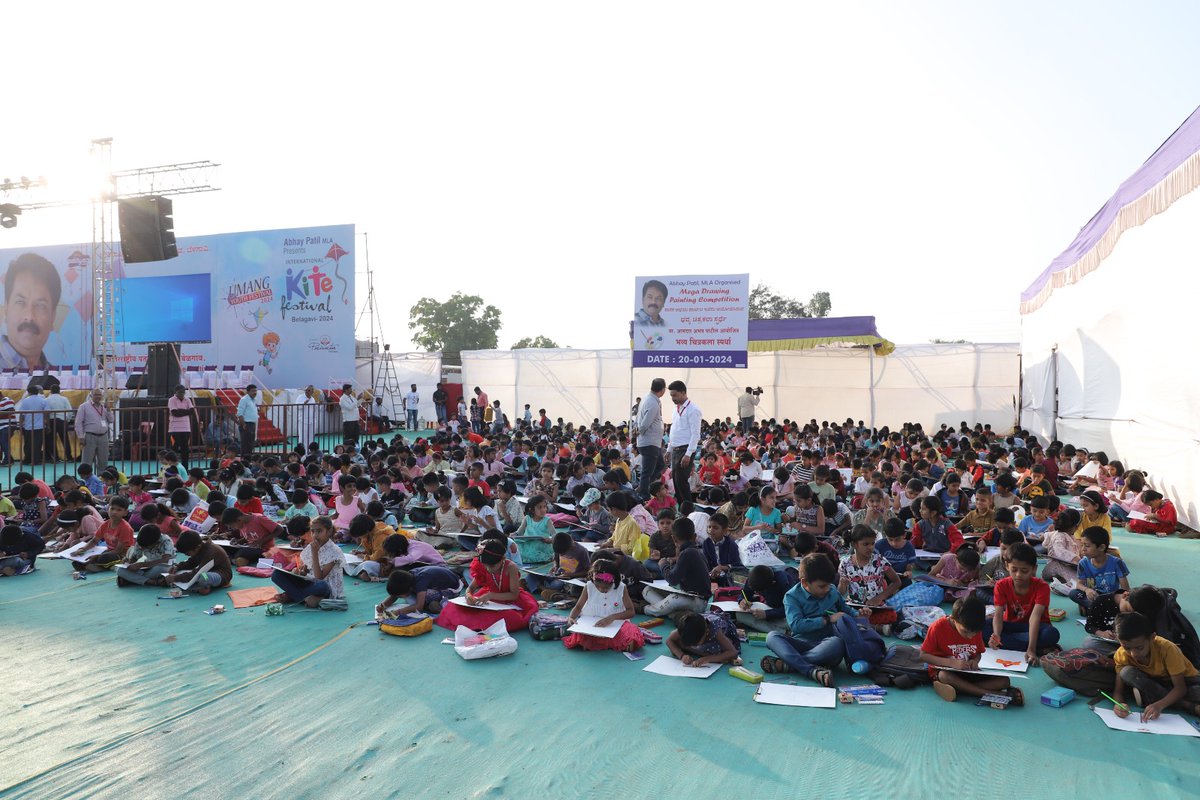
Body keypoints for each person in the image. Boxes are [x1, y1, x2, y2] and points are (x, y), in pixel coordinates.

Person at [761, 553, 851, 686]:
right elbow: (796, 625)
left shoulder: (832, 590)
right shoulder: (791, 596)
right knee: (771, 637)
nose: (827, 589)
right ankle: (811, 670)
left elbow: (845, 609)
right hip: (801, 644)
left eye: (829, 585)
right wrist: (827, 619)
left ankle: (790, 664)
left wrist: (859, 613)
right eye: (822, 586)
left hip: (825, 647)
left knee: (837, 643)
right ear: (804, 582)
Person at [922, 595, 1022, 706]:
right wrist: (951, 663)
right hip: (946, 671)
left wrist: (975, 661)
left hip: (967, 672)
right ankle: (993, 694)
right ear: (953, 619)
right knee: (944, 676)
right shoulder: (937, 628)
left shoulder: (974, 628)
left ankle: (960, 689)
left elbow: (978, 653)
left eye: (974, 633)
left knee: (1004, 681)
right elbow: (923, 655)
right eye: (965, 631)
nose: (970, 636)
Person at [434, 538, 539, 631]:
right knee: (452, 607)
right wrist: (468, 595)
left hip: (510, 601)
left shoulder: (511, 567)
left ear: (503, 559)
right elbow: (471, 588)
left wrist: (491, 595)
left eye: (492, 566)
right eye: (486, 566)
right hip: (487, 600)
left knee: (507, 617)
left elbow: (514, 594)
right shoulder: (483, 565)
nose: (488, 569)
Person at [1111, 611, 1200, 720]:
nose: (1133, 654)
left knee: (1196, 692)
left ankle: (1153, 698)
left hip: (1187, 681)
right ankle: (1189, 706)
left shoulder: (1167, 649)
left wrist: (1159, 705)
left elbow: (1181, 689)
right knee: (1126, 672)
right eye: (1127, 648)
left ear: (1152, 638)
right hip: (1157, 683)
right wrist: (1118, 705)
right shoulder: (1121, 654)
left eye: (1139, 648)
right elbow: (1118, 691)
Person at [989, 542, 1060, 662]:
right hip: (1011, 625)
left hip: (1037, 627)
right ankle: (1037, 647)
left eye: (1024, 571)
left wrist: (1031, 649)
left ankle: (1014, 643)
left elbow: (1035, 618)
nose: (1018, 575)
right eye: (1014, 569)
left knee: (1051, 634)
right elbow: (998, 614)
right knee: (983, 625)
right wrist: (996, 635)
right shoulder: (1001, 585)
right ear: (1007, 566)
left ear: (1034, 569)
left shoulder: (1042, 586)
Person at [563, 559, 645, 652]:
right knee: (580, 635)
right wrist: (571, 617)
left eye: (606, 587)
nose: (601, 590)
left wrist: (612, 618)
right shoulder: (589, 586)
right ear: (593, 579)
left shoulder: (621, 588)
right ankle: (614, 643)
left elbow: (631, 611)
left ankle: (600, 643)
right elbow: (578, 606)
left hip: (615, 624)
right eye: (598, 586)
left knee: (632, 630)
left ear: (614, 581)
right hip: (592, 625)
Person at [0, 253, 60, 371]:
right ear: (6, 308)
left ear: (53, 317)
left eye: (40, 305)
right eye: (20, 302)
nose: (29, 316)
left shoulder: (58, 377)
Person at [270, 516, 345, 607]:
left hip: (326, 587)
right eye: (312, 531)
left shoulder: (334, 551)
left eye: (319, 531)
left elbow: (319, 578)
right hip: (310, 583)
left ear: (329, 531)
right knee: (276, 574)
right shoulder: (310, 547)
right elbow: (307, 571)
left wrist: (314, 553)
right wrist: (301, 572)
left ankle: (294, 595)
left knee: (322, 585)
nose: (315, 535)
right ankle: (303, 598)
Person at [643, 517, 710, 617]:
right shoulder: (697, 552)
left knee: (673, 599)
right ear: (695, 537)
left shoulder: (687, 553)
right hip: (688, 597)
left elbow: (672, 580)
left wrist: (663, 565)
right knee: (647, 590)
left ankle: (645, 609)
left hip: (697, 602)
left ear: (674, 538)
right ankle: (674, 614)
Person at [838, 524, 901, 632]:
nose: (870, 547)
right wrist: (842, 584)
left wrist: (879, 598)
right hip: (854, 607)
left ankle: (860, 625)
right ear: (854, 544)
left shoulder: (880, 561)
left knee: (892, 615)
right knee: (840, 613)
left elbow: (897, 582)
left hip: (875, 607)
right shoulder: (845, 563)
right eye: (866, 544)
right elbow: (841, 592)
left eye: (872, 543)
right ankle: (875, 627)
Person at [1069, 526, 1130, 614]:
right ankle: (1101, 609)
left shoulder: (1117, 562)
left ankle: (1093, 609)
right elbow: (1079, 584)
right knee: (1073, 593)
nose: (1083, 549)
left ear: (1101, 547)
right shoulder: (1083, 563)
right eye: (1082, 545)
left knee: (1126, 599)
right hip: (1093, 596)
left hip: (1110, 598)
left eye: (1087, 546)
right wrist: (1087, 590)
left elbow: (1125, 589)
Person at [666, 380, 701, 509]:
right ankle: (682, 508)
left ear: (683, 392)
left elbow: (695, 434)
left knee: (681, 481)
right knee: (676, 481)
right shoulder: (676, 410)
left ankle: (688, 509)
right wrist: (669, 449)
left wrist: (688, 454)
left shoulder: (693, 410)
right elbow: (674, 431)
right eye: (671, 395)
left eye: (674, 395)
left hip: (685, 449)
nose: (673, 398)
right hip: (676, 449)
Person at [376, 566, 462, 617]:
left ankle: (439, 604)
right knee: (413, 598)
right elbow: (394, 595)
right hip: (435, 585)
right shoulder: (406, 579)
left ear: (409, 589)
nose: (398, 597)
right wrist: (383, 605)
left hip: (453, 589)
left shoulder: (421, 581)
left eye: (399, 596)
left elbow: (419, 606)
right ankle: (432, 602)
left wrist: (396, 613)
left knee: (423, 600)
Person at [666, 611, 742, 667]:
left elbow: (733, 653)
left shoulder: (716, 631)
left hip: (723, 632)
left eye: (696, 643)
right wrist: (682, 656)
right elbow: (669, 640)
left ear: (706, 633)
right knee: (674, 637)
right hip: (701, 625)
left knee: (719, 652)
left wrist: (708, 659)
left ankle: (691, 648)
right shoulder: (686, 627)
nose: (694, 646)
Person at [736, 564, 798, 633]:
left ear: (772, 583)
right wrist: (741, 600)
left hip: (785, 614)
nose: (756, 592)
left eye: (759, 591)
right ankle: (778, 630)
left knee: (794, 622)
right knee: (740, 614)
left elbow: (792, 608)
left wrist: (767, 614)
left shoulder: (785, 583)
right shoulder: (754, 578)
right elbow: (745, 593)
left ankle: (780, 632)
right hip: (768, 610)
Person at [169, 530, 233, 595]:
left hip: (221, 575)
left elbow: (197, 573)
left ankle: (204, 587)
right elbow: (190, 563)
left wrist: (176, 578)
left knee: (203, 577)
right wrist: (177, 567)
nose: (186, 555)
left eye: (187, 553)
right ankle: (200, 587)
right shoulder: (199, 549)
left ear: (197, 547)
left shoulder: (211, 552)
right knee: (192, 576)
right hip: (207, 571)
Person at [74, 388, 113, 473]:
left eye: (99, 395)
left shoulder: (104, 407)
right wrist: (81, 437)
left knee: (103, 461)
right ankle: (85, 478)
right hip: (90, 436)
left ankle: (102, 478)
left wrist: (108, 409)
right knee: (87, 461)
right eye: (96, 395)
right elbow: (78, 423)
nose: (98, 396)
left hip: (104, 436)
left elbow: (111, 420)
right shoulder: (84, 406)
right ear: (91, 396)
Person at [166, 385, 199, 469]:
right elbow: (175, 413)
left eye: (183, 392)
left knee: (185, 450)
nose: (182, 394)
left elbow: (192, 411)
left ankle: (185, 468)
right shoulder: (171, 400)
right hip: (174, 429)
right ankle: (172, 468)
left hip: (186, 428)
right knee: (173, 450)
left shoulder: (187, 400)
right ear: (176, 392)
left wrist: (180, 411)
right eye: (180, 392)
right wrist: (186, 411)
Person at [16, 383, 47, 465]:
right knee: (37, 444)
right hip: (40, 426)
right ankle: (36, 460)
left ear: (29, 392)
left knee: (27, 444)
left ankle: (27, 459)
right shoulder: (43, 400)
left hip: (28, 426)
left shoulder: (25, 401)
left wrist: (21, 425)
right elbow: (46, 413)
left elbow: (21, 415)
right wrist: (47, 424)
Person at [44, 383, 72, 461]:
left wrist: (47, 424)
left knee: (51, 440)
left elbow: (46, 413)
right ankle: (69, 457)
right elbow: (70, 411)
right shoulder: (64, 399)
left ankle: (55, 458)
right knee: (65, 439)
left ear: (50, 391)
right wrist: (67, 420)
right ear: (59, 391)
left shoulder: (46, 399)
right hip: (61, 421)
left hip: (51, 421)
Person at [237, 384, 259, 457]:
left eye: (255, 391)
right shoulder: (244, 400)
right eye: (253, 391)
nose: (255, 392)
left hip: (252, 424)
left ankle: (249, 458)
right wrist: (243, 424)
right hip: (246, 424)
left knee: (251, 443)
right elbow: (240, 413)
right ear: (248, 392)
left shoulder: (254, 400)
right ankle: (244, 459)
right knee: (245, 443)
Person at [0, 389, 14, 465]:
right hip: (3, 426)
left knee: (4, 442)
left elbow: (11, 410)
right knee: (3, 442)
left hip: (7, 425)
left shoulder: (7, 400)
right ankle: (9, 459)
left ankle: (7, 460)